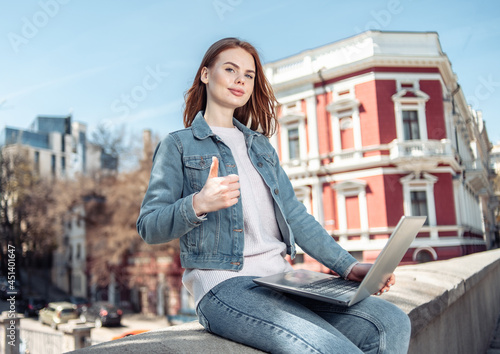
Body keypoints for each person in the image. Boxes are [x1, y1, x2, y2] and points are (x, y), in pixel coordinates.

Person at [137, 37, 411, 353]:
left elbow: (295, 215)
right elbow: (149, 226)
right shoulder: (179, 145)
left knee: (391, 322)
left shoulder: (261, 146)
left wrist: (348, 267)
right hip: (225, 286)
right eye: (230, 69)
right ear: (205, 74)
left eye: (249, 74)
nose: (240, 79)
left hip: (284, 280)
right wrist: (198, 204)